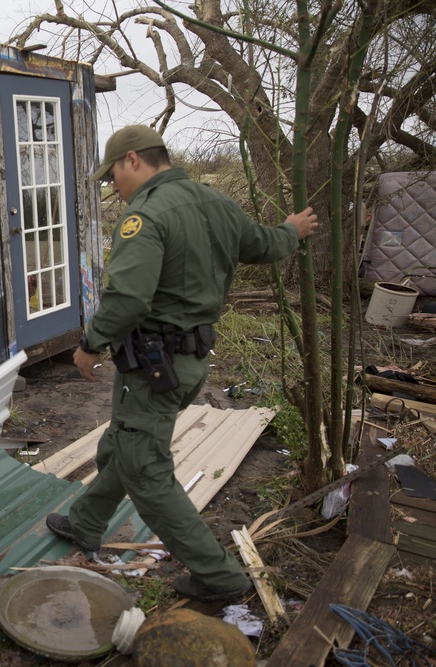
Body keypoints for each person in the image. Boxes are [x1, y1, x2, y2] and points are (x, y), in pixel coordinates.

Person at [45, 125, 319, 602]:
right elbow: (262, 245)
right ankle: (87, 522)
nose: (113, 187)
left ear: (133, 160)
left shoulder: (145, 215)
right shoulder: (217, 203)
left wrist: (90, 344)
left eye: (112, 176)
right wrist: (291, 231)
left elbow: (127, 297)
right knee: (123, 441)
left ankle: (219, 577)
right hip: (186, 363)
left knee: (145, 470)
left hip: (153, 367)